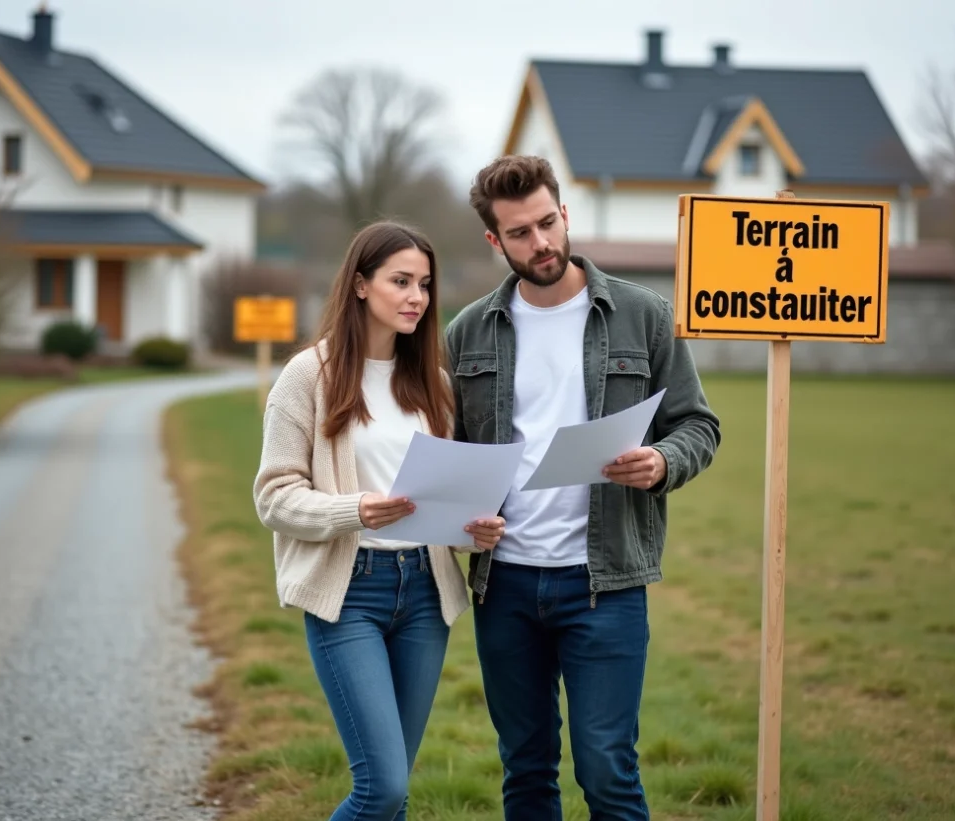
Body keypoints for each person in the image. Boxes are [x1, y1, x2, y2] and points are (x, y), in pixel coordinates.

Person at [444, 155, 722, 820]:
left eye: (548, 223)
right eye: (520, 233)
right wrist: (460, 517)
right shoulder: (466, 332)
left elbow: (698, 425)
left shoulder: (643, 314)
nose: (540, 242)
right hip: (505, 584)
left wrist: (661, 462)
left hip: (605, 581)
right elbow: (449, 455)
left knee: (607, 770)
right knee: (525, 768)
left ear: (565, 214)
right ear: (494, 240)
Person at [253, 220, 506, 821]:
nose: (417, 296)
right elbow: (274, 497)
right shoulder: (306, 377)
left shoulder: (433, 385)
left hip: (424, 594)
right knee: (382, 789)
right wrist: (355, 510)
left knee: (396, 793)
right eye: (401, 281)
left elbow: (443, 495)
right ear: (361, 284)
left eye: (424, 284)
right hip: (349, 595)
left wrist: (474, 531)